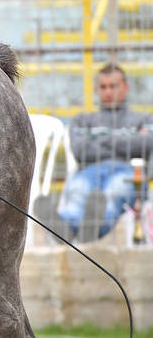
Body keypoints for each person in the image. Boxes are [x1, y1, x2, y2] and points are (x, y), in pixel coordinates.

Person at [58, 64, 153, 240]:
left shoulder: (144, 119)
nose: (108, 92)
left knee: (114, 191)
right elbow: (80, 150)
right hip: (89, 172)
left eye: (113, 86)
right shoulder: (83, 119)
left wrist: (100, 138)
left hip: (128, 173)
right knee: (78, 191)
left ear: (125, 87)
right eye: (103, 87)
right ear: (96, 90)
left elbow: (146, 144)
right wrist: (125, 139)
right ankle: (65, 226)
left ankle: (87, 230)